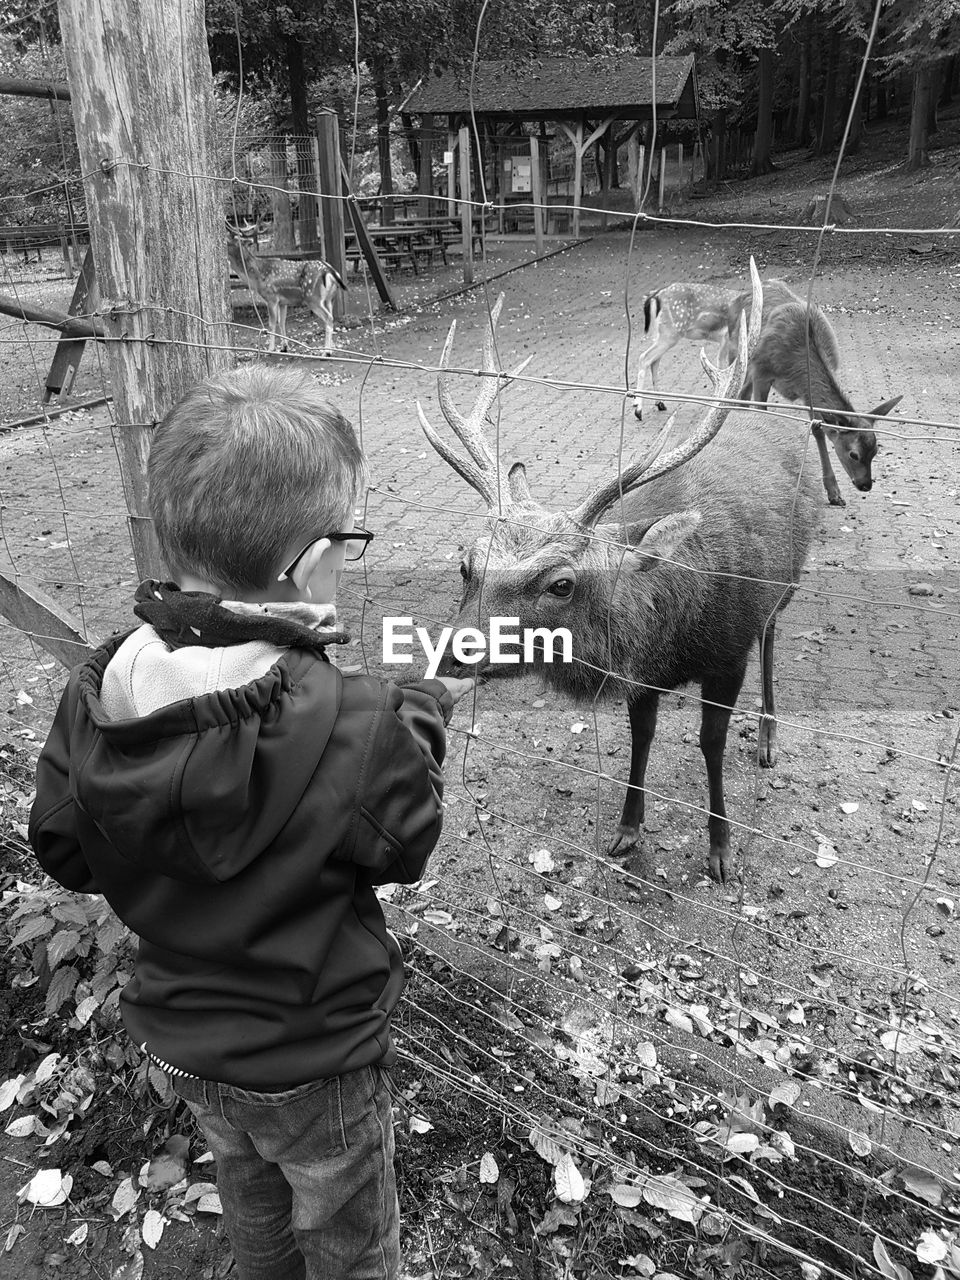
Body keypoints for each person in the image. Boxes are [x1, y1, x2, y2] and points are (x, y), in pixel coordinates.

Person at [28, 364, 473, 1280]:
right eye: (349, 541)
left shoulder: (105, 692)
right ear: (308, 564)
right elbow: (407, 840)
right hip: (316, 1063)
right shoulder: (358, 721)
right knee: (349, 1239)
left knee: (250, 1198)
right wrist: (419, 710)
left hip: (186, 1047)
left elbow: (65, 847)